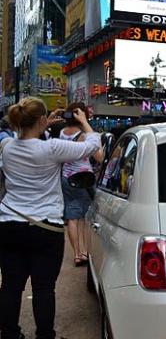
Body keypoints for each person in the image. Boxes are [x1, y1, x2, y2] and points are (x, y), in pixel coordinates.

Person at [0, 97, 100, 339]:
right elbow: (92, 145)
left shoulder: (7, 148)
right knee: (44, 288)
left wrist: (43, 124)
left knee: (11, 286)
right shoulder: (52, 148)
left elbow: (22, 139)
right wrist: (84, 121)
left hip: (10, 223)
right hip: (46, 227)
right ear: (42, 120)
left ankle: (10, 334)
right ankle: (45, 335)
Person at [60, 102, 104, 267]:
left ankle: (77, 254)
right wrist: (88, 126)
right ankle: (84, 251)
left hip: (66, 176)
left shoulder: (63, 132)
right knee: (84, 217)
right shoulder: (85, 134)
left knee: (72, 216)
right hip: (83, 177)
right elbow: (99, 156)